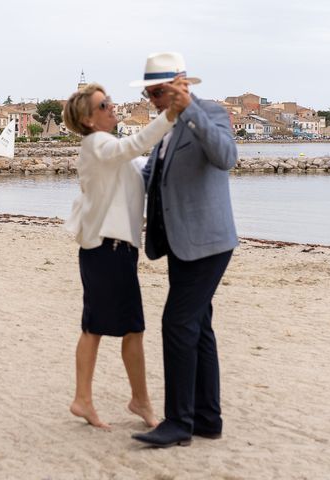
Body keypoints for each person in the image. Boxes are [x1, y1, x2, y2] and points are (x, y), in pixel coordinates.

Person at [63, 78, 188, 429]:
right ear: (88, 119)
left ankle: (88, 399)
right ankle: (136, 401)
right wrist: (171, 114)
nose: (112, 107)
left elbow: (142, 163)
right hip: (108, 249)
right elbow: (136, 144)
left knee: (98, 327)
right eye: (104, 106)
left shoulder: (107, 147)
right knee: (125, 328)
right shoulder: (97, 144)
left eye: (110, 102)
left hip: (111, 249)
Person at [130, 52, 239, 448]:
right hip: (180, 242)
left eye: (158, 92)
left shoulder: (210, 111)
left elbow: (226, 157)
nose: (153, 101)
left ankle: (178, 422)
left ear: (182, 85)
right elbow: (150, 176)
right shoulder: (164, 125)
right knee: (198, 328)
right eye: (149, 93)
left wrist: (189, 110)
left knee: (177, 324)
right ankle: (207, 419)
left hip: (208, 241)